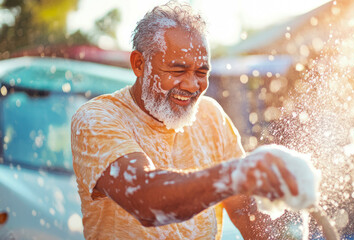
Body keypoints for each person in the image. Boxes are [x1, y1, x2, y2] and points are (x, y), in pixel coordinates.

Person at [71, 1, 299, 239]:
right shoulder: (97, 118)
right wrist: (234, 174)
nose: (192, 86)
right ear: (139, 64)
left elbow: (242, 208)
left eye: (202, 73)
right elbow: (146, 200)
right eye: (177, 71)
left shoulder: (211, 115)